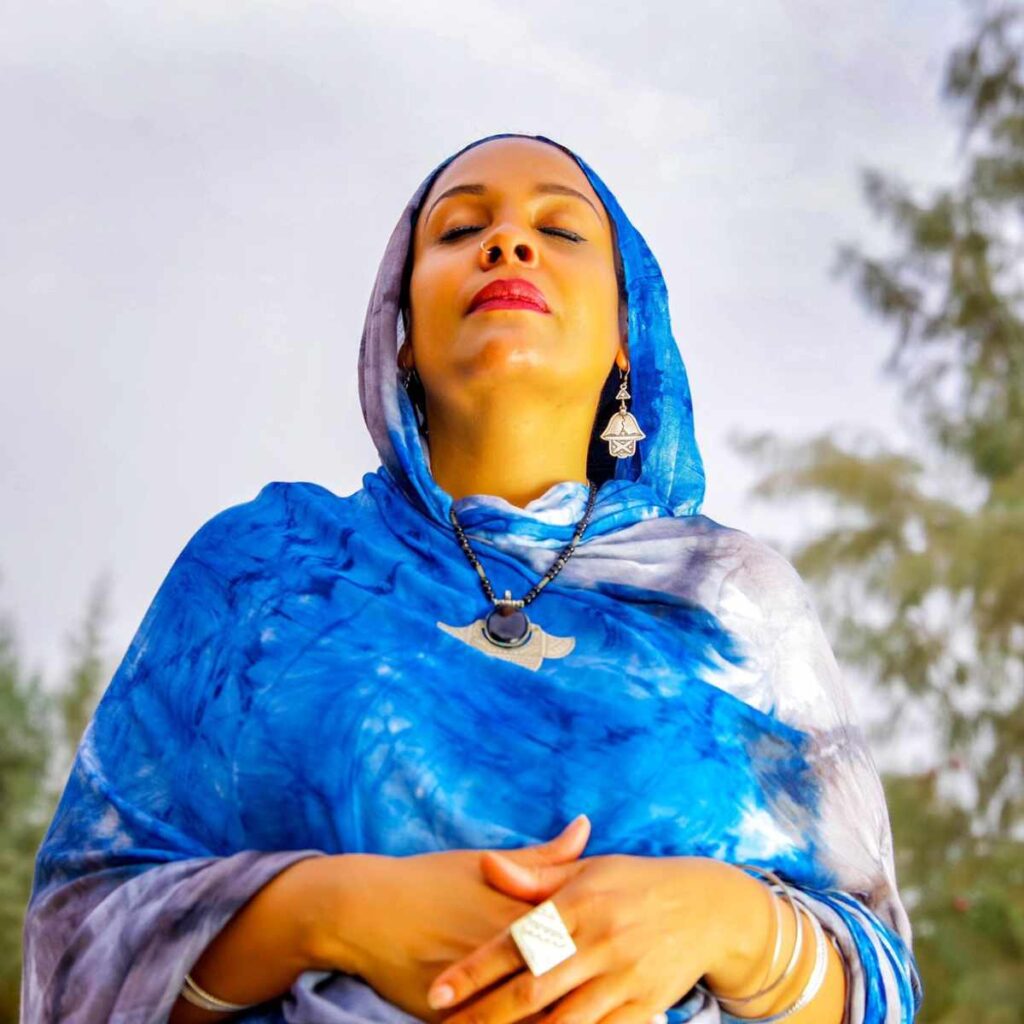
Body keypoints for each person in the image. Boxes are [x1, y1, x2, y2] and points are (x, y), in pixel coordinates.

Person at [21, 132, 924, 1024]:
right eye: (459, 230)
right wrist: (328, 914)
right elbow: (75, 947)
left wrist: (728, 925)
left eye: (560, 231)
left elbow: (877, 977)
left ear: (625, 333)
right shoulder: (263, 575)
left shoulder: (731, 596)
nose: (508, 241)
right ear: (402, 332)